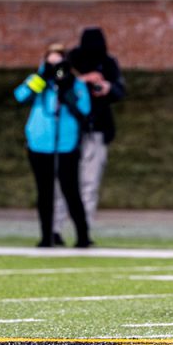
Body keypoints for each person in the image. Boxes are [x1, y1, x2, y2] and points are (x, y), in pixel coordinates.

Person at [14, 43, 91, 248]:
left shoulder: (75, 84)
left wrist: (67, 90)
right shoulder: (39, 82)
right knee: (45, 192)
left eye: (59, 63)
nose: (55, 68)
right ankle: (46, 236)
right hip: (40, 144)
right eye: (51, 63)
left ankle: (83, 236)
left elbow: (84, 110)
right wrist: (42, 78)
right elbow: (20, 96)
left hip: (66, 145)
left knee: (70, 190)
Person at [68, 29, 125, 226]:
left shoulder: (109, 63)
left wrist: (108, 87)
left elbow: (119, 91)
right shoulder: (69, 61)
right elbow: (55, 78)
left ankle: (83, 228)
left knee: (89, 183)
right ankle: (55, 228)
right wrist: (82, 80)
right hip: (69, 130)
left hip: (97, 129)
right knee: (63, 183)